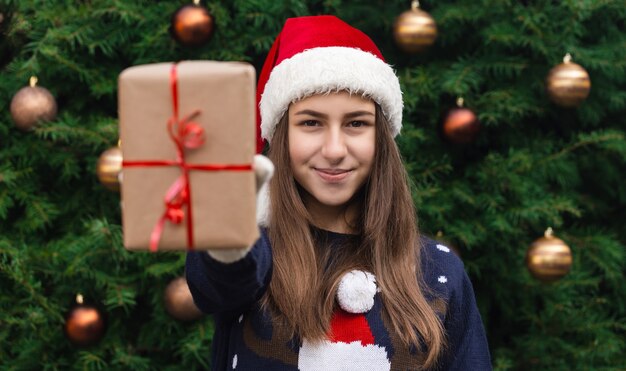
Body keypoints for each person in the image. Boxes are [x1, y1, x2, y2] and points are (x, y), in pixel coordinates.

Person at [186, 15, 491, 370]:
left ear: (381, 139)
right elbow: (215, 282)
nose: (334, 149)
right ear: (282, 137)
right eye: (311, 123)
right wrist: (230, 238)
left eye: (356, 123)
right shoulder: (254, 254)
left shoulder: (437, 269)